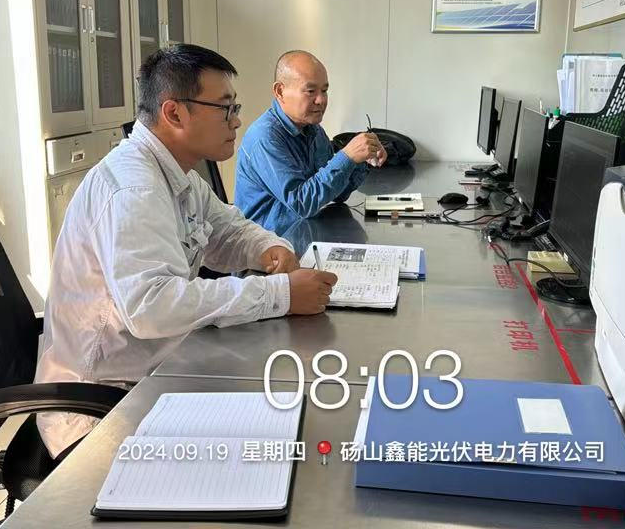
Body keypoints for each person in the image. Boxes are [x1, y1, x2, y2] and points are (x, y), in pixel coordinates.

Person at [34, 44, 337, 459]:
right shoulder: (134, 188)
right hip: (100, 411)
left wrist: (271, 248)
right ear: (174, 113)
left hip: (158, 373)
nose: (237, 120)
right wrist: (280, 294)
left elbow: (227, 230)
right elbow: (152, 306)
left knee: (290, 420)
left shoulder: (179, 176)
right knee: (279, 447)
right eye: (225, 108)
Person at [235, 50, 387, 235]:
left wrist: (360, 159)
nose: (321, 100)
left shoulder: (313, 130)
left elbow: (338, 194)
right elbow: (302, 203)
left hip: (304, 232)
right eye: (310, 91)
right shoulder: (265, 137)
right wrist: (347, 157)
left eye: (324, 90)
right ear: (280, 91)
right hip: (270, 242)